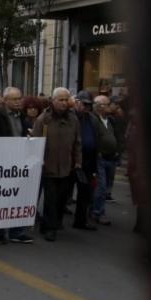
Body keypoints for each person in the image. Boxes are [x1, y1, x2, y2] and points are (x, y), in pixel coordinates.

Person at [32, 87, 82, 242]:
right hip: (48, 166)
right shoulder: (43, 119)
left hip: (67, 166)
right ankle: (49, 228)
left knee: (62, 198)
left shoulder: (73, 119)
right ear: (52, 101)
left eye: (66, 100)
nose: (64, 103)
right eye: (60, 100)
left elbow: (77, 142)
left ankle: (56, 222)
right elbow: (35, 142)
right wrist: (39, 159)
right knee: (50, 199)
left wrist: (78, 161)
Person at [0, 87, 34, 244]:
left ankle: (16, 232)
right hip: (3, 164)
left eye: (20, 98)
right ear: (5, 100)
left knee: (17, 197)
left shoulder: (21, 115)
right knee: (2, 198)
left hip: (19, 162)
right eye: (15, 99)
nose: (19, 101)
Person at [72, 91, 99, 231]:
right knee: (63, 192)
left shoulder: (92, 119)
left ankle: (80, 220)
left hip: (87, 162)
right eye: (84, 104)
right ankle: (53, 221)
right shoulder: (71, 116)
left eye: (89, 105)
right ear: (76, 102)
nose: (86, 107)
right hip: (72, 160)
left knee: (85, 192)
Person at [90, 94, 119, 226]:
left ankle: (95, 209)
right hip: (100, 157)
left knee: (106, 186)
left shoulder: (111, 120)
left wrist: (118, 149)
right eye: (107, 104)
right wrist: (98, 152)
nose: (110, 106)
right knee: (101, 186)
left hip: (112, 157)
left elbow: (117, 136)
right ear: (99, 107)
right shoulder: (94, 120)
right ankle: (97, 212)